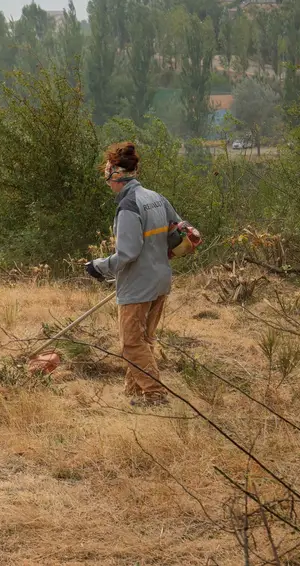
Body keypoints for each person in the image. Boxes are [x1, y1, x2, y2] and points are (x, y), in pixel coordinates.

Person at [85, 142, 187, 407]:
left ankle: (154, 394)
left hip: (138, 285)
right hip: (160, 281)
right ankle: (134, 390)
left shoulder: (129, 205)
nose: (106, 180)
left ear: (116, 175)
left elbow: (128, 252)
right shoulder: (156, 197)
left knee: (131, 343)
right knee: (145, 339)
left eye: (106, 174)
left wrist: (99, 266)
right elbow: (177, 231)